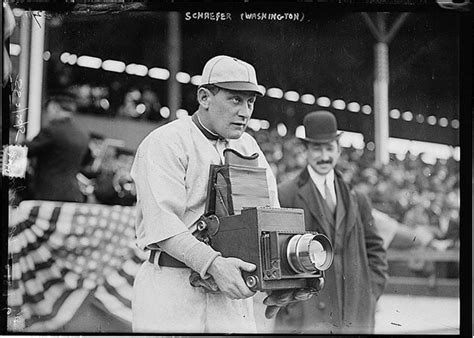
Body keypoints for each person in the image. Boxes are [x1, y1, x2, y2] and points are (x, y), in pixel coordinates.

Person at [131, 55, 313, 333]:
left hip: (230, 296)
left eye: (250, 102)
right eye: (235, 99)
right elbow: (162, 226)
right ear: (204, 97)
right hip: (172, 287)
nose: (245, 111)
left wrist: (284, 280)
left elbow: (269, 219)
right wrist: (213, 263)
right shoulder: (166, 141)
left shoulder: (249, 146)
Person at [274, 111, 388, 334]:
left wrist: (370, 293)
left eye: (329, 148)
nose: (324, 156)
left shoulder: (357, 197)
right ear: (305, 151)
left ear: (338, 150)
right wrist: (292, 306)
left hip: (354, 315)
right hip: (308, 317)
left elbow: (376, 251)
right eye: (317, 148)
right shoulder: (285, 194)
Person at [25, 91, 90, 202]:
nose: (48, 114)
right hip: (73, 194)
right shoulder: (83, 134)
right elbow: (86, 160)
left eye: (48, 109)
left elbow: (26, 151)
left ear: (55, 107)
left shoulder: (52, 130)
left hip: (49, 194)